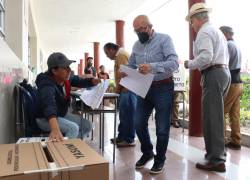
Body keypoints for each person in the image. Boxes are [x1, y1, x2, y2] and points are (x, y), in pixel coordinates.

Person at [127, 15, 178, 174]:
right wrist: (126, 72)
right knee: (138, 122)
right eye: (136, 31)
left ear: (149, 27)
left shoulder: (164, 40)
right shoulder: (136, 45)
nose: (138, 33)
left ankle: (160, 159)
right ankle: (148, 152)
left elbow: (174, 63)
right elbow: (131, 65)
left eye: (141, 30)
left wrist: (152, 67)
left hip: (163, 87)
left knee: (162, 127)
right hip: (144, 88)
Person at [184, 3, 231, 172]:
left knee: (212, 118)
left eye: (191, 21)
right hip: (222, 73)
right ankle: (215, 153)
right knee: (216, 116)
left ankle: (217, 159)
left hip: (213, 74)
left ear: (197, 19)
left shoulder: (204, 32)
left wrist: (188, 63)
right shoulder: (216, 31)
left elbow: (206, 57)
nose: (192, 25)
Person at [35, 52, 101, 141]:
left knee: (87, 125)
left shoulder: (66, 79)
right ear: (54, 71)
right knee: (73, 128)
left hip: (60, 114)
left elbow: (79, 81)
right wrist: (55, 128)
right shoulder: (46, 84)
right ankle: (62, 152)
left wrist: (93, 81)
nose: (69, 70)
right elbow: (48, 104)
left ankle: (70, 145)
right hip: (45, 118)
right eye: (65, 68)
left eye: (69, 67)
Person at [103, 42, 137, 147]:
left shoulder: (121, 55)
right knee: (123, 115)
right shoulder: (120, 55)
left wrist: (117, 90)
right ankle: (122, 136)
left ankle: (129, 139)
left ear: (111, 50)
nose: (107, 56)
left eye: (106, 53)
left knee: (128, 115)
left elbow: (125, 74)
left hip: (128, 90)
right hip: (125, 90)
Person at [220, 26, 243, 150]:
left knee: (221, 112)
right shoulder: (236, 45)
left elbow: (223, 65)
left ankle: (221, 141)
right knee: (234, 114)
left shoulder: (228, 46)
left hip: (232, 83)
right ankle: (236, 140)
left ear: (225, 34)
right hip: (239, 83)